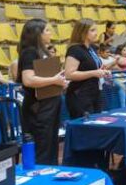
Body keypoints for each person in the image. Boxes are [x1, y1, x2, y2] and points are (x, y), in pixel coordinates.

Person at [18, 19, 67, 165]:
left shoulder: (44, 51)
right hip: (38, 109)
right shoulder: (29, 53)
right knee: (42, 148)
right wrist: (54, 80)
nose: (50, 33)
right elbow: (28, 80)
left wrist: (61, 82)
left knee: (52, 145)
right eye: (47, 30)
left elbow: (48, 78)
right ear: (37, 34)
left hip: (51, 105)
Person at [64, 19, 110, 118]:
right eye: (92, 30)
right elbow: (69, 74)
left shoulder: (91, 48)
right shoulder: (75, 49)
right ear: (83, 32)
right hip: (80, 96)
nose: (96, 33)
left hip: (94, 93)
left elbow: (90, 67)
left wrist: (102, 70)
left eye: (96, 30)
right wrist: (94, 73)